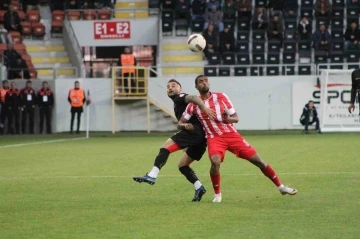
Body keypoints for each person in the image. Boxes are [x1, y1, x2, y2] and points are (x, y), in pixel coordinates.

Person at [178, 75, 297, 203]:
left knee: (258, 161)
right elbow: (180, 123)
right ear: (196, 87)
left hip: (232, 135)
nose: (204, 83)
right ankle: (217, 194)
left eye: (206, 80)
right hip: (214, 138)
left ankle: (281, 187)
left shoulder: (221, 97)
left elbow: (236, 117)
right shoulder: (193, 105)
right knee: (215, 161)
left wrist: (227, 119)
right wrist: (186, 125)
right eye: (200, 82)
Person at [133, 79, 217, 202]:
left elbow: (193, 97)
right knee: (182, 166)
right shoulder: (177, 103)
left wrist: (204, 107)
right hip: (201, 139)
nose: (170, 88)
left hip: (194, 132)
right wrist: (184, 127)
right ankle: (199, 187)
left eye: (173, 86)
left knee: (164, 148)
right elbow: (181, 123)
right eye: (168, 87)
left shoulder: (181, 97)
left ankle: (152, 175)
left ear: (180, 89)